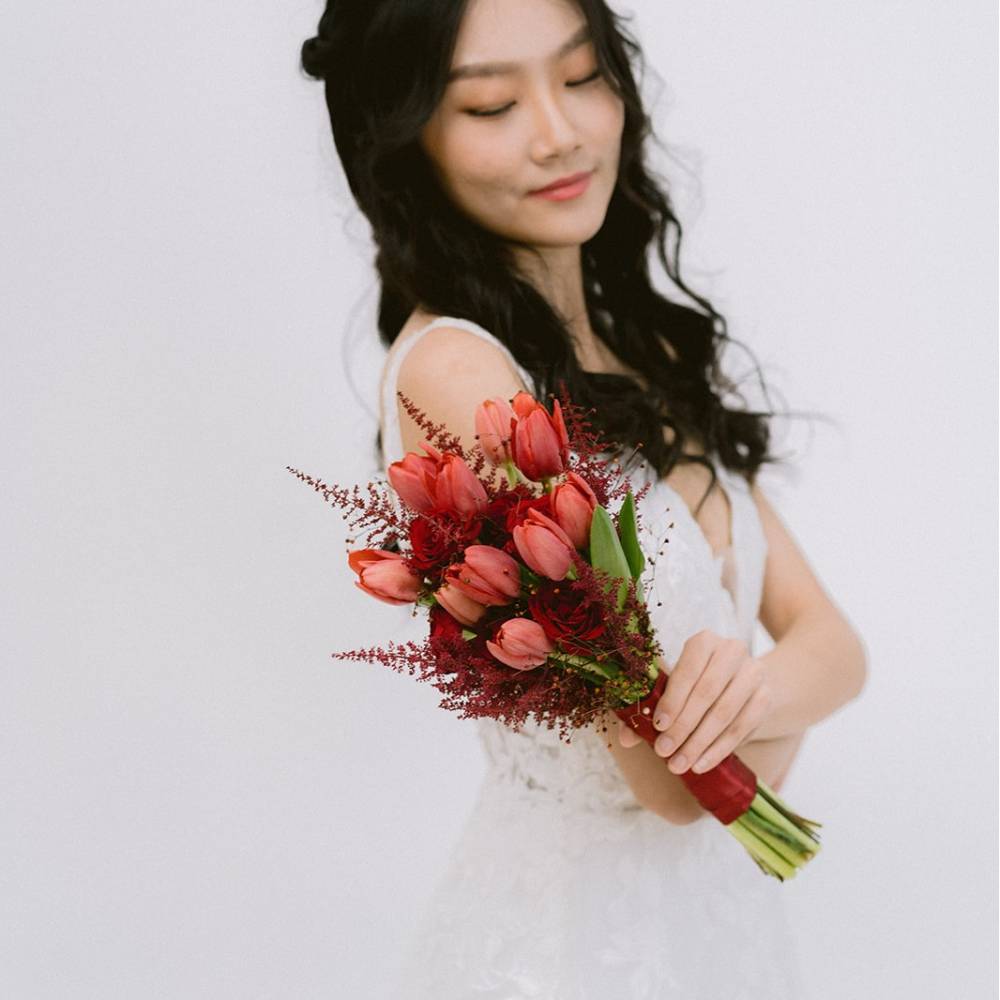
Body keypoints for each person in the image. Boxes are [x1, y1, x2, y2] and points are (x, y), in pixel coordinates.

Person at [301, 1, 868, 996]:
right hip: (568, 950)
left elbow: (834, 644)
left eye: (579, 76)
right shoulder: (456, 375)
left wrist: (751, 702)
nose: (558, 131)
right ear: (401, 139)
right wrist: (753, 722)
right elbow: (669, 788)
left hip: (712, 925)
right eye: (489, 104)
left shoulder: (640, 353)